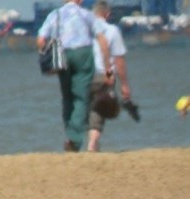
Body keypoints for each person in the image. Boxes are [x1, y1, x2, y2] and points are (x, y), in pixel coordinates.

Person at [36, 0, 110, 153]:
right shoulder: (86, 14)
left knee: (67, 96)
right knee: (81, 97)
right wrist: (107, 66)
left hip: (63, 55)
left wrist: (48, 59)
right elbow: (102, 39)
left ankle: (71, 135)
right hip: (83, 54)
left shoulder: (54, 15)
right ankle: (74, 139)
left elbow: (41, 40)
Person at [86, 1, 131, 152]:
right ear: (107, 14)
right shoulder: (112, 31)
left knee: (84, 107)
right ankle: (92, 143)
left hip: (83, 74)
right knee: (99, 110)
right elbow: (118, 60)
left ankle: (83, 142)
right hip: (105, 74)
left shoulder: (85, 29)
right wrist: (124, 84)